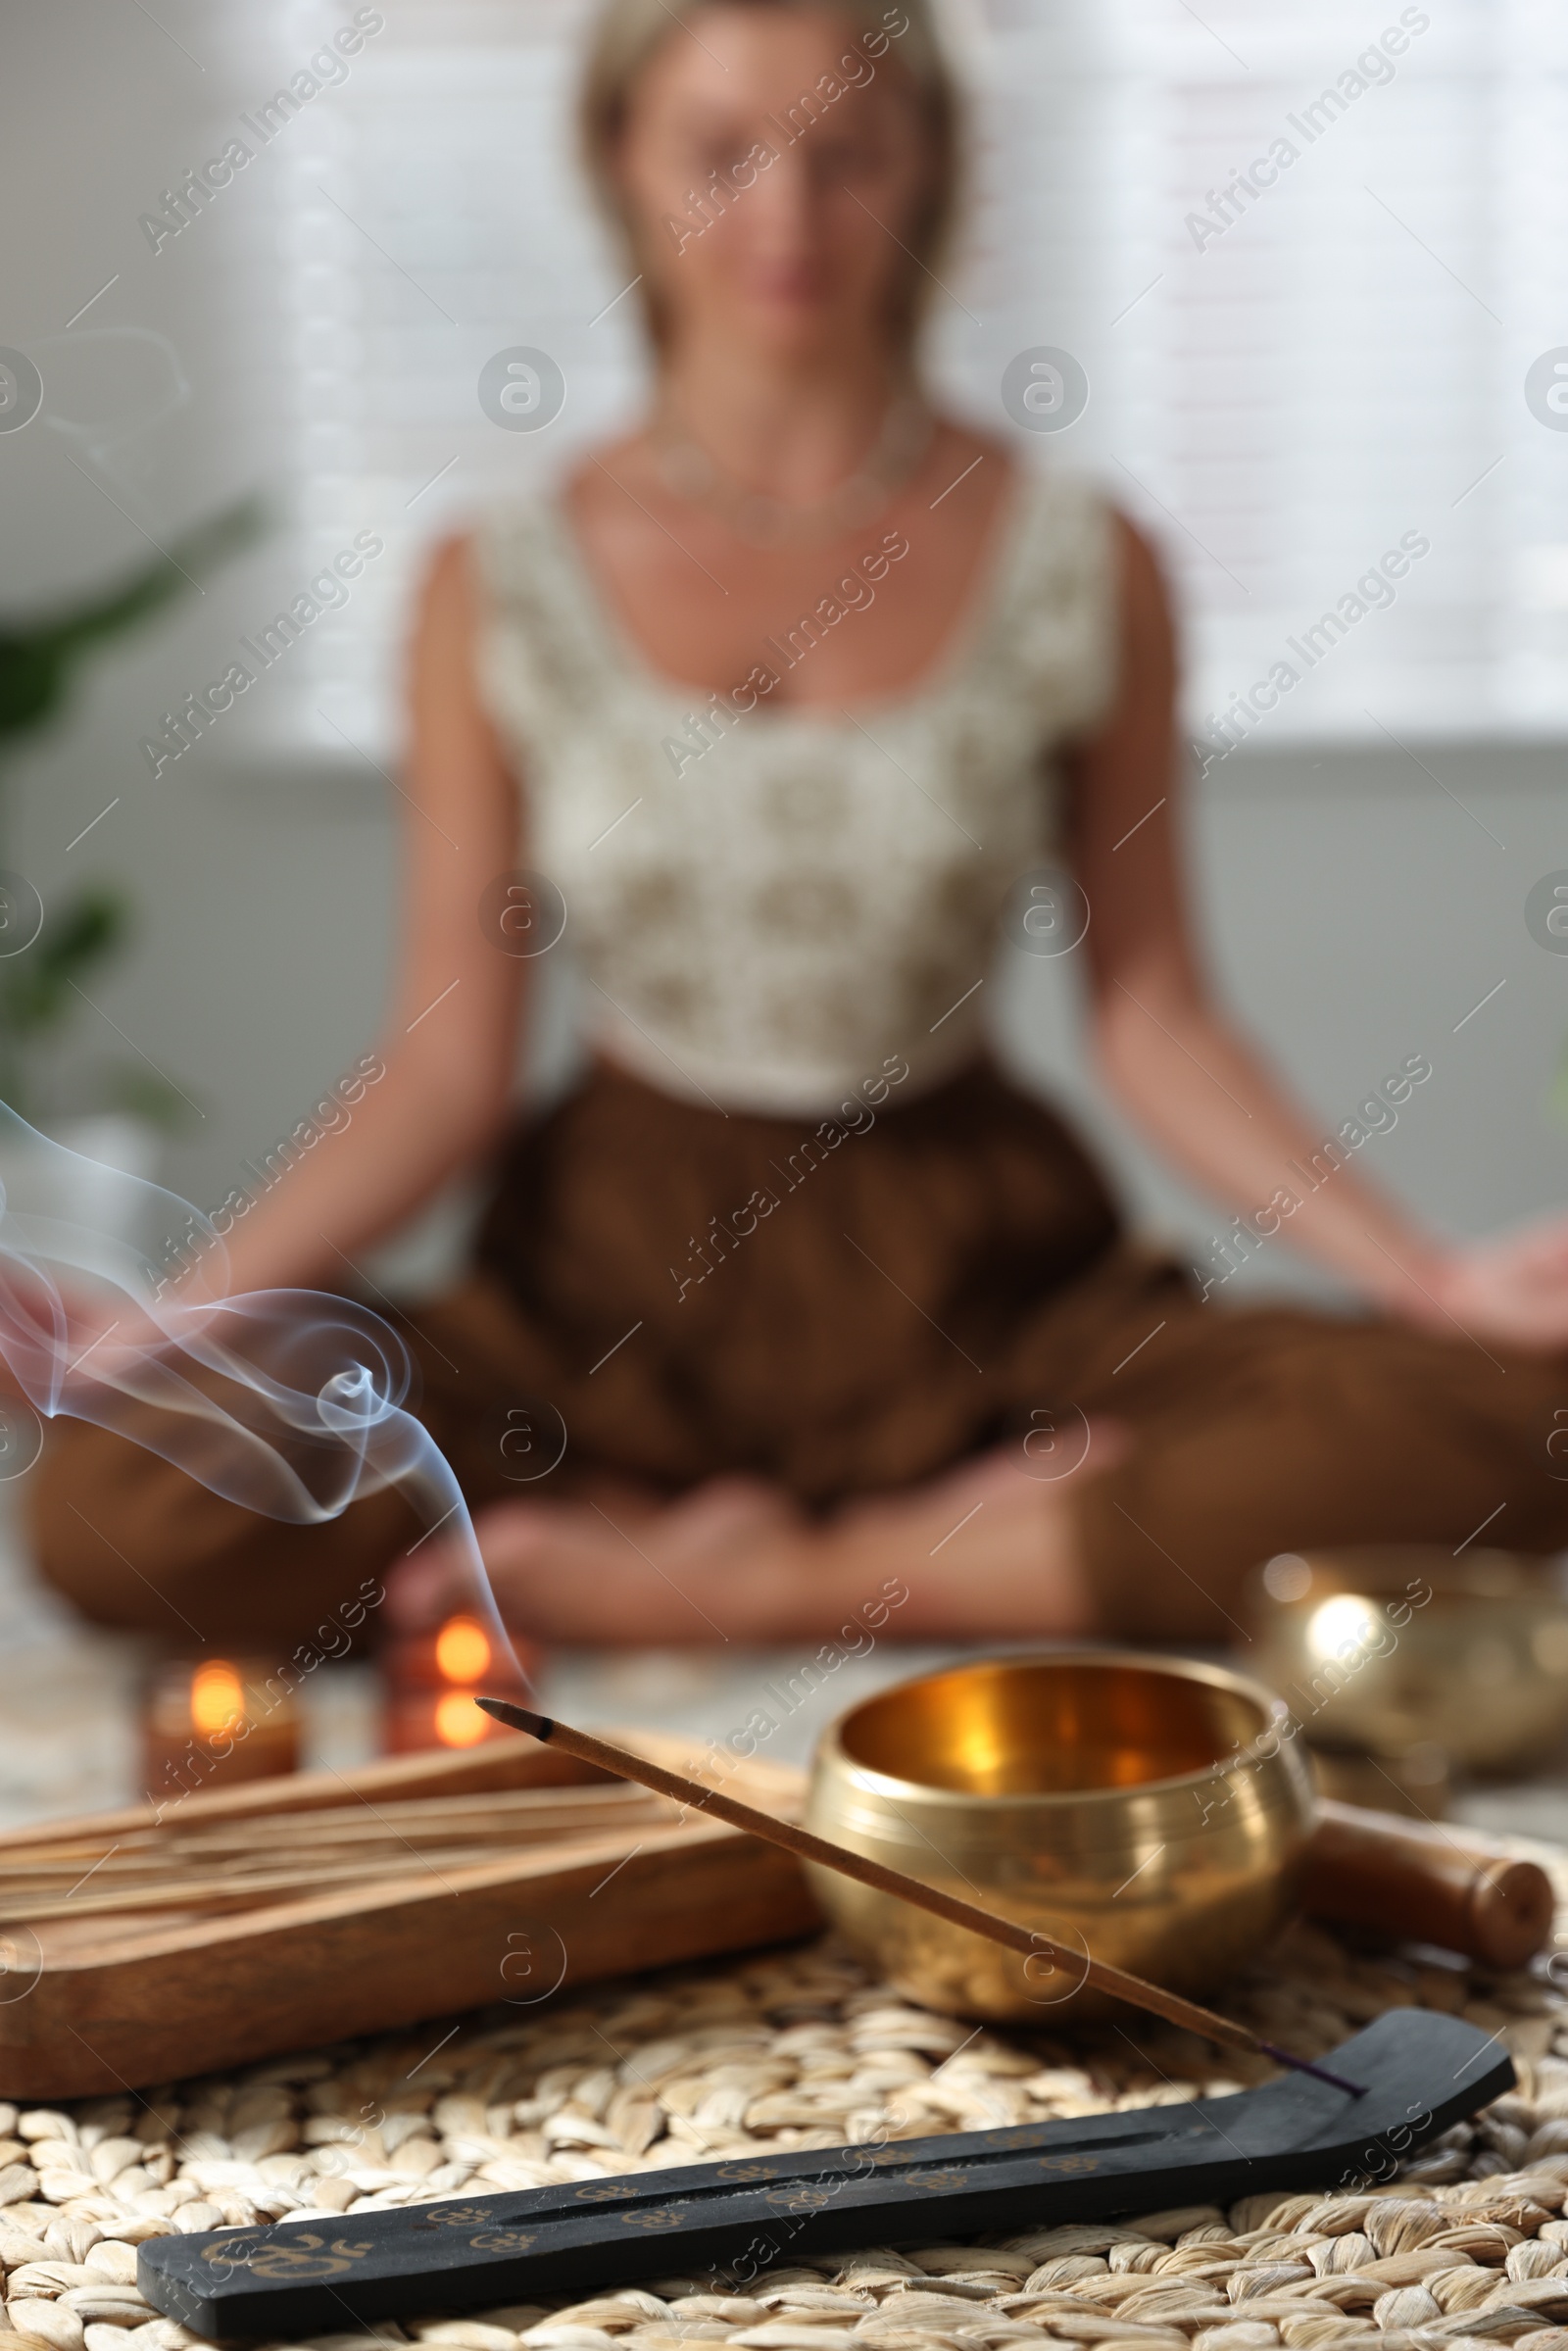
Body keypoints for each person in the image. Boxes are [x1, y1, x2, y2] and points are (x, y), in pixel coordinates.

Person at [32, 0, 1568, 1656]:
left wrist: (1425, 1282)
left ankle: (789, 1579)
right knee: (114, 1496)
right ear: (618, 162)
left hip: (983, 1277)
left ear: (931, 171)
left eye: (846, 154)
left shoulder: (1083, 553)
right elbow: (441, 1068)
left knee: (1527, 1423)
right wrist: (177, 1325)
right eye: (720, 153)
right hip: (602, 1298)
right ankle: (775, 1531)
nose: (785, 215)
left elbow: (1156, 1015)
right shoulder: (497, 578)